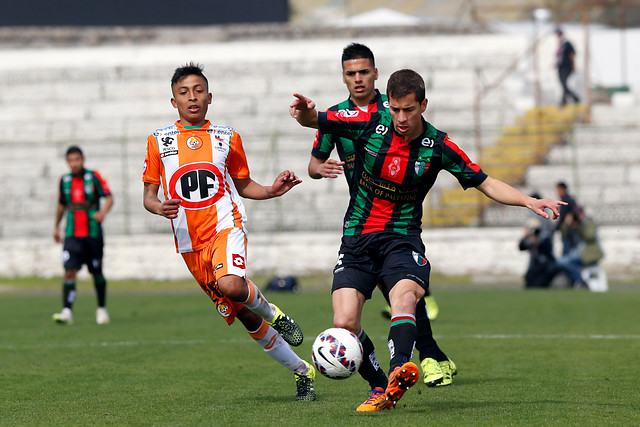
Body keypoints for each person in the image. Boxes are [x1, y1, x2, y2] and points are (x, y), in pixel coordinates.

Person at [290, 69, 566, 411]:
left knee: (405, 299)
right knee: (344, 323)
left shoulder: (439, 145)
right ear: (387, 105)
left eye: (409, 109)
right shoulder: (367, 121)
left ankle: (397, 373)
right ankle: (377, 384)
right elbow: (314, 120)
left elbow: (486, 182)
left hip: (402, 239)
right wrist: (303, 113)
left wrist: (529, 201)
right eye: (395, 110)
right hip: (357, 239)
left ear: (423, 105)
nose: (401, 118)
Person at [142, 63, 315, 401]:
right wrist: (158, 206)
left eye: (198, 91)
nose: (192, 97)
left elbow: (243, 183)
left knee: (232, 285)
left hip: (226, 225)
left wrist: (271, 190)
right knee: (245, 315)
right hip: (190, 244)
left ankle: (277, 314)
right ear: (173, 101)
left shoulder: (227, 137)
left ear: (209, 97)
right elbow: (148, 195)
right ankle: (302, 371)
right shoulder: (158, 141)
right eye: (183, 92)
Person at [307, 43, 453, 394]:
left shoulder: (392, 113)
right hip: (361, 221)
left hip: (397, 221)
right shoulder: (337, 117)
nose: (357, 79)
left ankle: (427, 359)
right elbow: (313, 163)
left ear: (376, 73)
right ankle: (418, 364)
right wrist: (319, 169)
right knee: (376, 308)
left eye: (363, 72)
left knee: (403, 298)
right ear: (343, 76)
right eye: (350, 73)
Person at [53, 146, 113, 325]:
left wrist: (102, 212)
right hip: (72, 234)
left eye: (77, 160)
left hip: (92, 233)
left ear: (83, 159)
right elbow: (61, 205)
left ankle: (101, 309)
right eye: (71, 160)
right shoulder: (64, 180)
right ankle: (67, 311)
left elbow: (109, 197)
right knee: (69, 271)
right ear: (67, 162)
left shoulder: (94, 177)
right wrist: (56, 227)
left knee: (96, 271)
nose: (74, 164)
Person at [556, 206, 604, 288]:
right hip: (577, 252)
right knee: (562, 263)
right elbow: (564, 235)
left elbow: (589, 236)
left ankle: (580, 280)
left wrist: (580, 226)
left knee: (564, 262)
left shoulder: (588, 223)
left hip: (587, 254)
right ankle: (580, 280)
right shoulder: (576, 225)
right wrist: (567, 224)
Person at [519, 218, 557, 288]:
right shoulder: (530, 239)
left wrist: (538, 243)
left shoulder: (544, 237)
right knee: (529, 280)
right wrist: (524, 236)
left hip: (546, 266)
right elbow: (521, 247)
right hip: (535, 266)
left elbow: (548, 249)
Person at [555, 28, 580, 106]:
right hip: (560, 67)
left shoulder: (567, 44)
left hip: (567, 66)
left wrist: (573, 65)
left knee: (564, 84)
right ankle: (566, 100)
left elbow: (572, 54)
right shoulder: (560, 44)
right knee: (562, 84)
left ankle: (572, 99)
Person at [555, 181, 578, 255]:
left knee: (568, 252)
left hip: (569, 232)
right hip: (567, 232)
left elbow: (565, 217)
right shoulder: (567, 200)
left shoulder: (567, 201)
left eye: (558, 190)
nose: (557, 192)